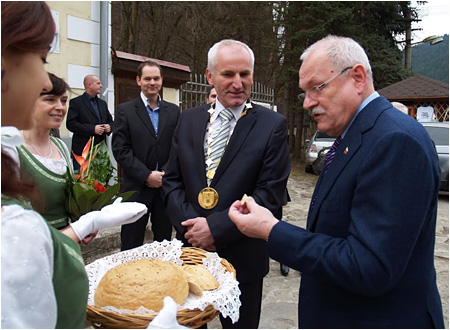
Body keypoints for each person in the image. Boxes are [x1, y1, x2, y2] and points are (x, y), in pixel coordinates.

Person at [228, 35, 445, 328]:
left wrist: (272, 231)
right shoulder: (358, 134)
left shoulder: (394, 141)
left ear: (357, 77)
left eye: (316, 88)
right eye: (303, 93)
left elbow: (369, 266)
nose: (307, 103)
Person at [1, 2, 146, 328]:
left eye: (63, 100)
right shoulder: (11, 152)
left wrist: (84, 217)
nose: (43, 79)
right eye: (40, 60)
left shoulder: (58, 149)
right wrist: (83, 226)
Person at [162, 39, 290, 328]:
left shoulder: (272, 125)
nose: (238, 83)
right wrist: (192, 227)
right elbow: (172, 181)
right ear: (209, 77)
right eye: (228, 74)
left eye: (245, 74)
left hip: (243, 258)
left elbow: (268, 196)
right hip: (192, 254)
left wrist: (216, 229)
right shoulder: (189, 120)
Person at [112, 60, 180, 251]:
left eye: (156, 78)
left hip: (165, 188)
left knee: (164, 244)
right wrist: (146, 176)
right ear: (138, 80)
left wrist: (165, 173)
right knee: (131, 244)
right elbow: (121, 149)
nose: (152, 82)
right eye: (147, 78)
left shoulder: (173, 111)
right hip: (136, 188)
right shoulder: (125, 111)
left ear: (161, 80)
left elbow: (178, 147)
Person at [15, 73, 74, 230]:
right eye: (50, 100)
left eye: (63, 101)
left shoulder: (60, 146)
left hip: (64, 244)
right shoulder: (12, 149)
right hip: (28, 244)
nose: (60, 107)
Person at [66, 74, 113, 170]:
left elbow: (111, 121)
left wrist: (109, 127)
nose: (101, 86)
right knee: (83, 182)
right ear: (89, 85)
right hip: (82, 153)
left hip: (101, 152)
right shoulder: (76, 102)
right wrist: (92, 129)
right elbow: (71, 124)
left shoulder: (102, 103)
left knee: (101, 182)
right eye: (98, 83)